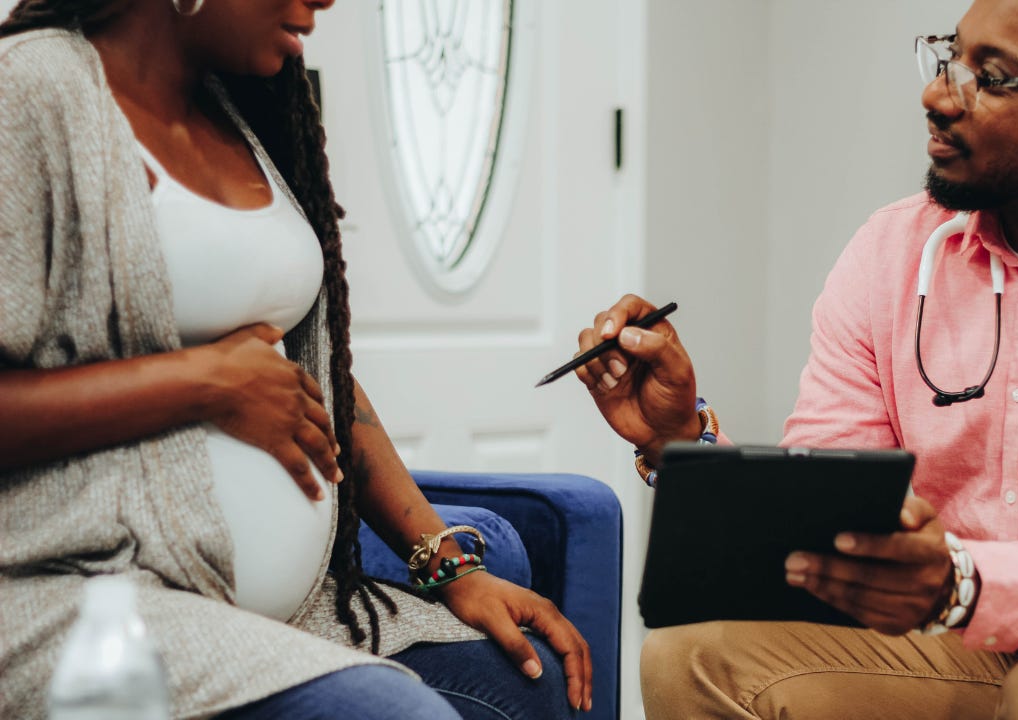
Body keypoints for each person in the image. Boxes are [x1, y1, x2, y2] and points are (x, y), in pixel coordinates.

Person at [573, 0, 1018, 717]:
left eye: (992, 77)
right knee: (694, 654)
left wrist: (963, 584)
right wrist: (683, 443)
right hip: (967, 622)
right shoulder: (894, 251)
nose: (938, 95)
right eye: (951, 56)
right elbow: (830, 513)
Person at [0, 1, 592, 718]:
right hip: (86, 596)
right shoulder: (33, 88)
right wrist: (201, 384)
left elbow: (317, 382)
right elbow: (235, 383)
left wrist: (447, 568)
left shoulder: (237, 109)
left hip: (299, 614)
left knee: (535, 684)